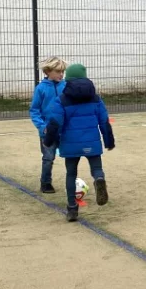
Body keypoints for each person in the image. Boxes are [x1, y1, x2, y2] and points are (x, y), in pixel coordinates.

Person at [42, 63, 115, 222]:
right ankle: (99, 179)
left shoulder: (61, 100)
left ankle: (72, 209)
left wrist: (48, 141)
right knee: (96, 168)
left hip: (70, 143)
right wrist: (109, 141)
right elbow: (104, 121)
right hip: (92, 142)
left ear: (68, 79)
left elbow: (55, 123)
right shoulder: (96, 98)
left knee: (71, 173)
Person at [29, 57, 67, 194]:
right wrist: (42, 127)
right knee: (48, 158)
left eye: (63, 71)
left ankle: (71, 181)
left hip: (65, 130)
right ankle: (45, 183)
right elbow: (34, 110)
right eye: (58, 71)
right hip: (48, 131)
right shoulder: (41, 88)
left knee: (71, 156)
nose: (61, 74)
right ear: (48, 71)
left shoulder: (66, 86)